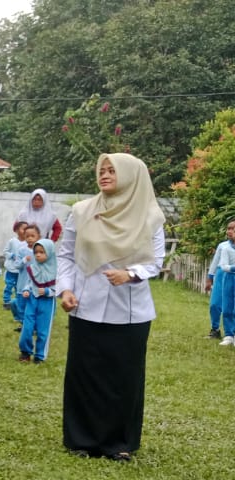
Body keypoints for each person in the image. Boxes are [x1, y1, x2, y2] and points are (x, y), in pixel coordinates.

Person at [58, 153, 165, 462]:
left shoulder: (150, 217)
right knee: (84, 374)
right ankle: (81, 439)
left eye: (112, 171)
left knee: (124, 378)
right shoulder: (81, 212)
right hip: (84, 305)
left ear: (132, 176)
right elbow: (65, 255)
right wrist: (65, 289)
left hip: (129, 312)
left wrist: (131, 274)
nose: (104, 175)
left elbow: (155, 262)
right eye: (101, 170)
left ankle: (118, 442)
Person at [18, 239, 58, 364]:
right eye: (36, 252)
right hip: (32, 300)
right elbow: (29, 283)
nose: (38, 255)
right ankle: (25, 352)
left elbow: (59, 289)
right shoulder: (33, 268)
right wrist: (26, 290)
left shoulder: (56, 270)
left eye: (42, 252)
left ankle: (40, 355)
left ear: (50, 253)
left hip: (47, 303)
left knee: (43, 330)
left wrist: (47, 291)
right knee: (27, 327)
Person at [206, 220, 235, 341]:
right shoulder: (223, 246)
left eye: (233, 229)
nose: (229, 231)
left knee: (231, 306)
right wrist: (209, 278)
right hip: (221, 274)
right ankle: (215, 329)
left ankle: (230, 334)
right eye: (228, 228)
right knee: (215, 304)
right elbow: (215, 262)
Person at [3, 222, 28, 326]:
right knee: (9, 285)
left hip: (21, 271)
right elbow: (5, 251)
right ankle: (7, 302)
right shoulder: (12, 241)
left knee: (19, 288)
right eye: (23, 229)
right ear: (17, 230)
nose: (25, 231)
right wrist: (11, 255)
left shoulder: (27, 243)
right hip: (11, 268)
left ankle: (18, 302)